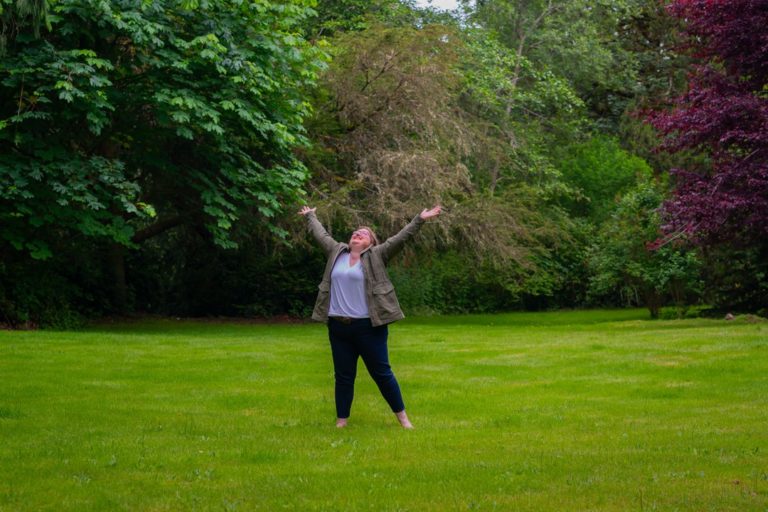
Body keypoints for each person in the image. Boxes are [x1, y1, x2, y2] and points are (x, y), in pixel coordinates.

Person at [299, 205, 442, 428]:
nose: (358, 233)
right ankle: (341, 422)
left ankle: (404, 420)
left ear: (371, 243)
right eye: (356, 231)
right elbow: (321, 234)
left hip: (368, 327)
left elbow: (401, 238)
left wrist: (420, 219)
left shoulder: (377, 255)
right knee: (343, 377)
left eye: (364, 233)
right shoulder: (337, 251)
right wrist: (310, 215)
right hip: (338, 327)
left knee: (382, 374)